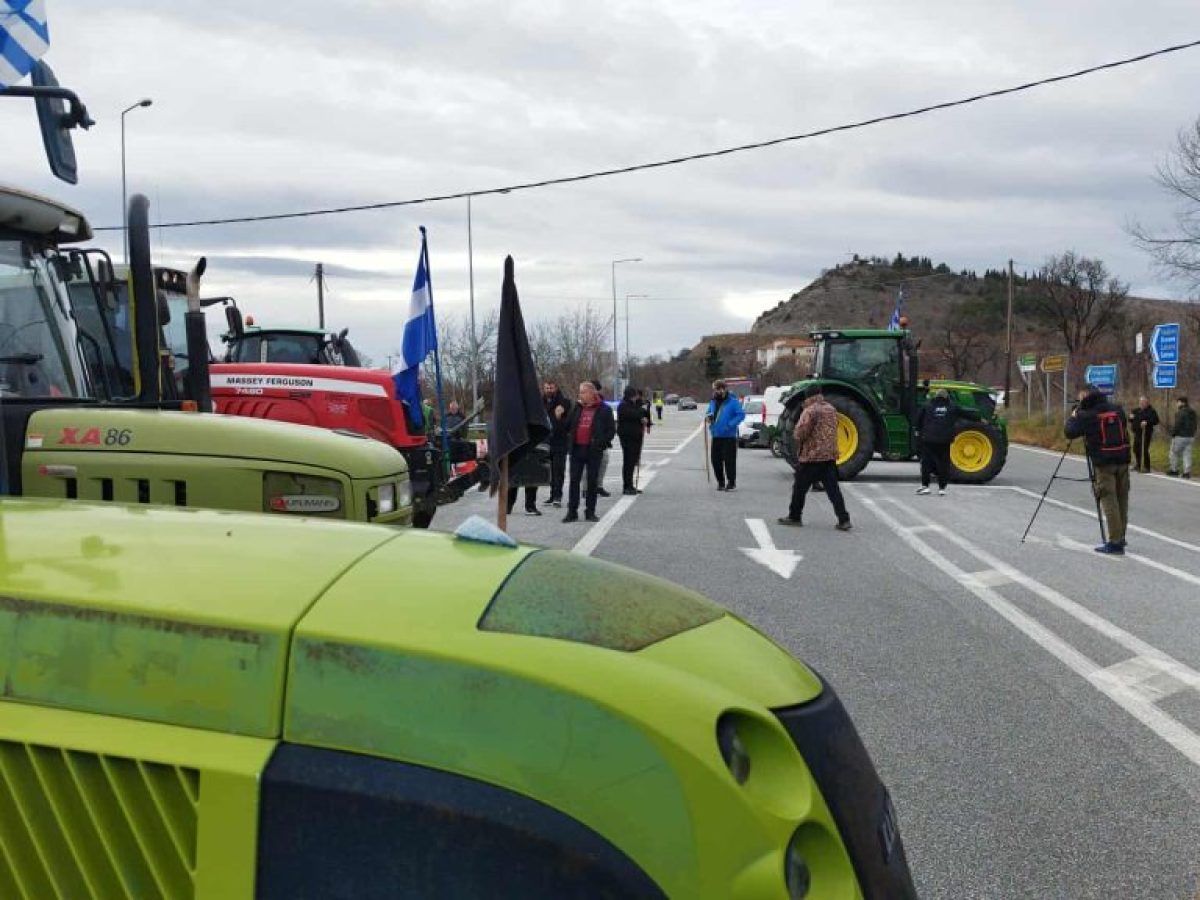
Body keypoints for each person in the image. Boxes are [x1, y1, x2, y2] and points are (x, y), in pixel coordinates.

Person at [1064, 383, 1131, 554]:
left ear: (1085, 395)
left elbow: (1070, 432)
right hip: (1123, 458)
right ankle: (1121, 536)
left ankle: (1114, 542)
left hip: (1104, 461)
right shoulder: (1117, 409)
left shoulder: (1087, 415)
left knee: (1109, 499)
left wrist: (1073, 416)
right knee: (1122, 498)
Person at [777, 385, 851, 530]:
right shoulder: (831, 409)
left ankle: (794, 516)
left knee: (799, 488)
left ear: (808, 397)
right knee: (833, 490)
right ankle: (844, 519)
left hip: (812, 457)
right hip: (829, 456)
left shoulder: (810, 411)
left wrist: (797, 433)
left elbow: (800, 433)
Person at [563, 381, 615, 522]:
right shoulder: (577, 407)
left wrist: (600, 443)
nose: (581, 395)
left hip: (593, 450)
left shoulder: (604, 409)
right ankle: (572, 511)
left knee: (592, 482)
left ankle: (590, 511)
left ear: (593, 393)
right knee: (574, 481)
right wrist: (562, 416)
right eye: (580, 392)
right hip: (577, 449)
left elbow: (611, 430)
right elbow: (567, 426)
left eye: (583, 392)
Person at [913, 388, 979, 495]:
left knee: (926, 463)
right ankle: (942, 488)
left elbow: (918, 420)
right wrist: (981, 419)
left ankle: (925, 486)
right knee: (943, 464)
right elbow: (966, 415)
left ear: (936, 396)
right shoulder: (952, 407)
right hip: (944, 440)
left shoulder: (927, 406)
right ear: (946, 396)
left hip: (928, 440)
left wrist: (918, 432)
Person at [705, 380, 745, 491]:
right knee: (715, 460)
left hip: (729, 436)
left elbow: (741, 415)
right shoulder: (713, 401)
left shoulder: (733, 401)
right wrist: (708, 417)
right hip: (716, 435)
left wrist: (730, 424)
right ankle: (721, 482)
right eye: (715, 389)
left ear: (724, 389)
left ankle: (731, 482)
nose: (717, 391)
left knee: (729, 460)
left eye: (718, 389)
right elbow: (708, 412)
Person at [540, 381, 573, 507]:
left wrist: (559, 416)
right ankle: (552, 495)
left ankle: (558, 496)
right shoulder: (540, 402)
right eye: (546, 387)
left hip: (559, 441)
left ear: (556, 388)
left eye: (551, 387)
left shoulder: (563, 402)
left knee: (558, 470)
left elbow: (567, 421)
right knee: (549, 471)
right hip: (545, 441)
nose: (549, 390)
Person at [617, 386, 651, 495]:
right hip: (628, 437)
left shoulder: (633, 405)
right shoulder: (623, 406)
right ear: (631, 395)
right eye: (635, 395)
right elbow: (636, 413)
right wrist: (641, 414)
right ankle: (627, 486)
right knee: (629, 461)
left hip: (636, 436)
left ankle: (630, 485)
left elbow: (643, 412)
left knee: (633, 461)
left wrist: (644, 417)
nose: (637, 397)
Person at [590, 380, 612, 497]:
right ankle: (586, 489)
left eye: (595, 389)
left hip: (601, 440)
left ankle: (599, 486)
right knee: (586, 468)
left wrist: (605, 439)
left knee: (603, 462)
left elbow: (610, 426)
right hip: (587, 441)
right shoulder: (583, 403)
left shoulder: (603, 404)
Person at [1168, 396, 1196, 479]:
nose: (1177, 404)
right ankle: (1186, 472)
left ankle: (1174, 470)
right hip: (1190, 436)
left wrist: (1173, 433)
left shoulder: (1181, 412)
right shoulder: (1192, 412)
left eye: (1178, 402)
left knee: (1174, 453)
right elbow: (1195, 424)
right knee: (1187, 455)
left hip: (1180, 436)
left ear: (1182, 402)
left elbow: (1178, 425)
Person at [1128, 396, 1159, 473]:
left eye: (1143, 402)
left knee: (1144, 449)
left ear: (1147, 403)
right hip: (1137, 432)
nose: (1141, 404)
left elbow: (1156, 420)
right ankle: (1138, 464)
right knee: (1136, 449)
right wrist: (1131, 417)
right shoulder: (1136, 410)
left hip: (1146, 433)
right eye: (1140, 402)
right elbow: (1130, 419)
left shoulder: (1151, 411)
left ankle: (1146, 466)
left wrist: (1147, 422)